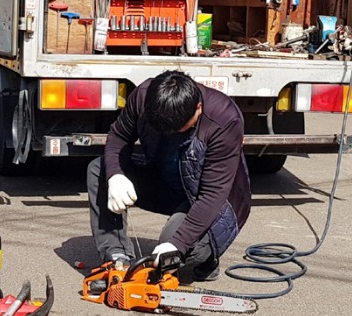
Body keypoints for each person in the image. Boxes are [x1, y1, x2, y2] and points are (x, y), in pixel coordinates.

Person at [87, 69, 251, 281]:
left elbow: (213, 195)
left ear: (198, 108)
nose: (171, 133)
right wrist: (115, 176)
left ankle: (207, 256)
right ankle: (117, 258)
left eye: (179, 128)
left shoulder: (224, 120)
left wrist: (177, 244)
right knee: (99, 169)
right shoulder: (144, 96)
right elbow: (119, 136)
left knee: (171, 254)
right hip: (164, 183)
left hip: (205, 201)